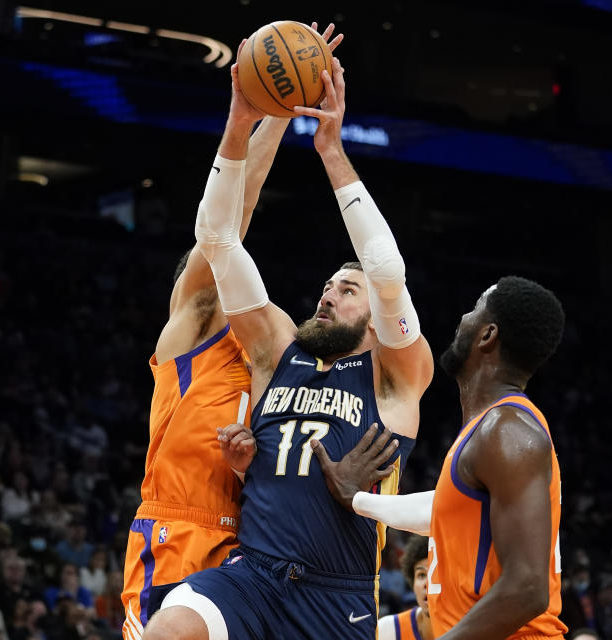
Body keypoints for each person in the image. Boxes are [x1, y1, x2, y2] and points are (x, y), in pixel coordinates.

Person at [145, 43, 432, 640]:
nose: (327, 293)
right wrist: (244, 118)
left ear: (375, 317)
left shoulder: (396, 375)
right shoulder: (279, 350)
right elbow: (219, 238)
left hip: (336, 593)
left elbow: (386, 269)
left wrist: (331, 152)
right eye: (326, 285)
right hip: (251, 571)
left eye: (345, 289)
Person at [120, 23, 346, 637]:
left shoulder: (282, 357)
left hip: (255, 550)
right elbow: (229, 219)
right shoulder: (193, 328)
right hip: (179, 531)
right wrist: (263, 116)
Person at [315, 276, 566, 640]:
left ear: (487, 335)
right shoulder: (490, 429)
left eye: (475, 307)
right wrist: (358, 500)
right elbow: (440, 512)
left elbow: (527, 588)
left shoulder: (507, 430)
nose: (464, 316)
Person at [378, 535, 433, 640]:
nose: (428, 583)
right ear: (412, 584)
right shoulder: (388, 630)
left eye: (436, 574)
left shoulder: (471, 628)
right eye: (421, 575)